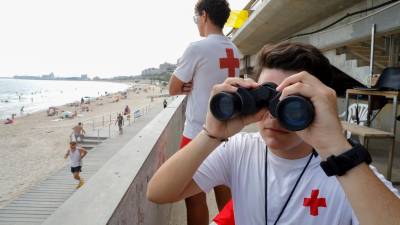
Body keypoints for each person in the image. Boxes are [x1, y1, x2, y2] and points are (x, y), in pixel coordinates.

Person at [147, 42, 400, 225]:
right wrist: (211, 134)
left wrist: (335, 146)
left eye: (291, 102)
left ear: (319, 104)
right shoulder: (241, 149)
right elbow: (159, 192)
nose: (274, 114)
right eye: (267, 99)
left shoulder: (348, 171)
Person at [168, 0, 240, 224]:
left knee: (193, 197)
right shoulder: (234, 49)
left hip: (198, 133)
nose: (197, 23)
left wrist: (187, 85)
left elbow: (173, 87)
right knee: (225, 193)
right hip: (227, 133)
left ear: (204, 16)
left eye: (196, 18)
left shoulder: (196, 48)